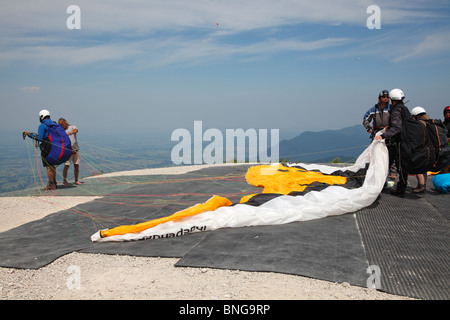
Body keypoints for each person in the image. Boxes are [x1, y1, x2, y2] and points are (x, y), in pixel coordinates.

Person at [374, 88, 409, 197]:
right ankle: (401, 187)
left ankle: (385, 187)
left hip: (397, 143)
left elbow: (397, 128)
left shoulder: (396, 110)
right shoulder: (404, 109)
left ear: (392, 99)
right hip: (404, 142)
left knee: (387, 164)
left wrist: (383, 135)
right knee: (401, 167)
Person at [410, 106, 430, 193]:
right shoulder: (429, 123)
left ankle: (421, 186)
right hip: (429, 149)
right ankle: (423, 185)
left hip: (420, 149)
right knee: (424, 169)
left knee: (418, 168)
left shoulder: (419, 125)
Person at [37, 110, 58, 190]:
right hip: (54, 147)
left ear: (42, 117)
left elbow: (40, 138)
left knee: (48, 166)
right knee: (52, 166)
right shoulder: (54, 124)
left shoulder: (42, 126)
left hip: (46, 147)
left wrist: (30, 135)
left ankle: (51, 184)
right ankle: (54, 182)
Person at [58, 118, 81, 186]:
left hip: (75, 150)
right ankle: (65, 181)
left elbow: (76, 130)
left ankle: (76, 180)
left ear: (65, 122)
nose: (61, 126)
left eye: (62, 124)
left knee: (76, 165)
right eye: (60, 125)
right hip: (68, 152)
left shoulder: (72, 127)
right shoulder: (61, 131)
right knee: (66, 166)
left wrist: (69, 133)